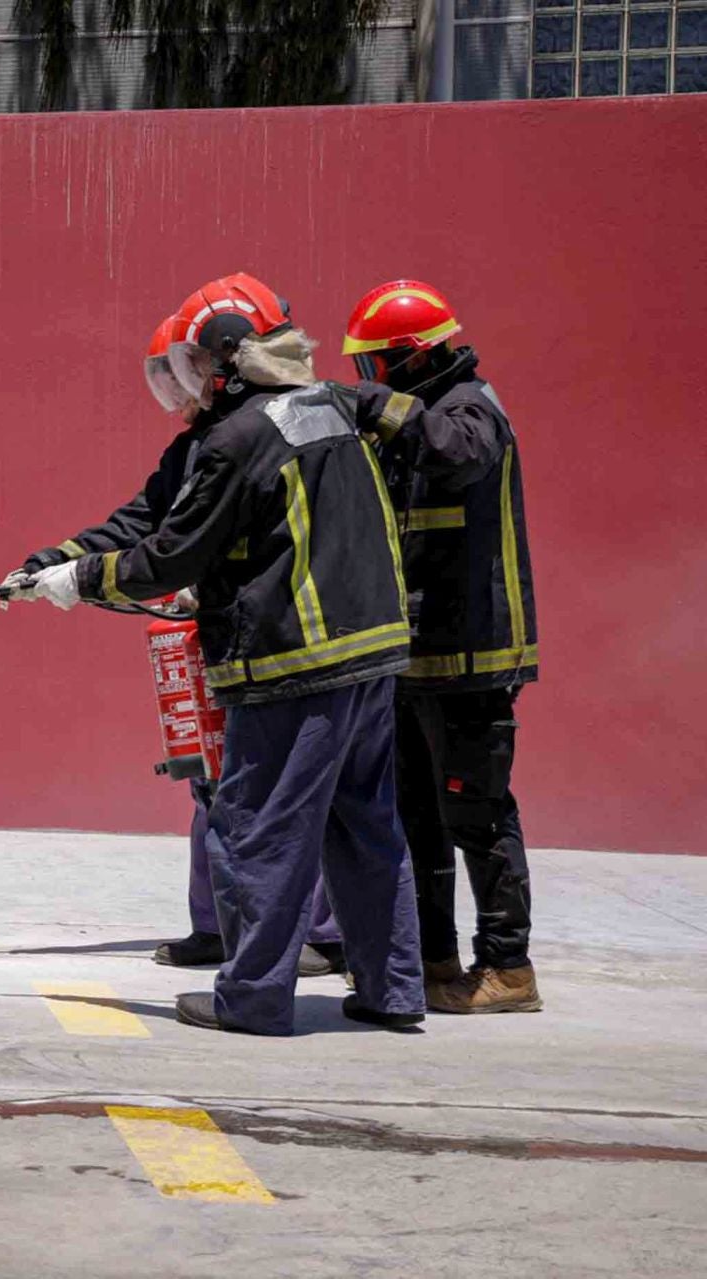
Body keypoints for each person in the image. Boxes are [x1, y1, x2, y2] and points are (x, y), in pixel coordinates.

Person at [6, 272, 425, 1035]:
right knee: (366, 829)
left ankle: (255, 997)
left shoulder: (239, 438)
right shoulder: (329, 407)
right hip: (372, 658)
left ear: (229, 356)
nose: (192, 378)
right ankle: (393, 990)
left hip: (292, 665)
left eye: (197, 362)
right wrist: (57, 559)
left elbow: (170, 554)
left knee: (264, 829)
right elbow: (181, 516)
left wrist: (82, 579)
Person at [19, 316, 347, 979]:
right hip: (218, 637)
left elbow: (202, 546)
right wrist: (55, 561)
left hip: (286, 640)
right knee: (210, 776)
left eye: (184, 374)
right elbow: (141, 520)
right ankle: (219, 926)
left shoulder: (261, 434)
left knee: (280, 793)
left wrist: (89, 580)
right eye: (169, 378)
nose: (179, 391)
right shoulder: (196, 447)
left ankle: (319, 935)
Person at [344, 280, 542, 1014]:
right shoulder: (413, 415)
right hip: (416, 656)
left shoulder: (470, 408)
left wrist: (375, 406)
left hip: (473, 658)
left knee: (476, 815)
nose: (369, 377)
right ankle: (432, 960)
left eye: (375, 364)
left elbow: (457, 453)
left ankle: (509, 968)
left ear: (413, 356)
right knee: (417, 818)